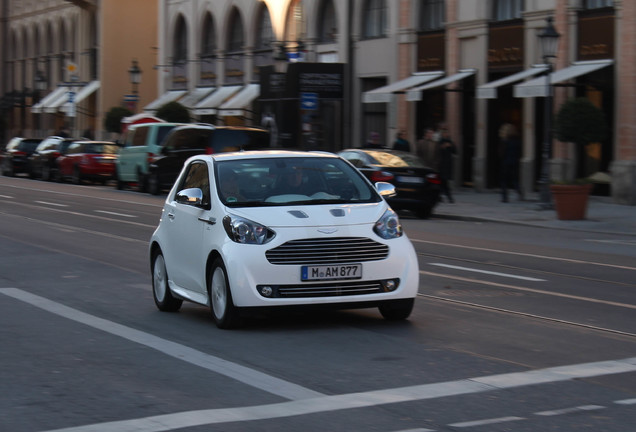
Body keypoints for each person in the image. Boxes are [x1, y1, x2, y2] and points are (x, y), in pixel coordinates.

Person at [499, 123, 522, 203]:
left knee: (504, 181)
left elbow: (502, 153)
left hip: (506, 162)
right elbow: (519, 152)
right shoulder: (517, 140)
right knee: (515, 179)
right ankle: (519, 192)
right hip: (515, 162)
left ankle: (505, 197)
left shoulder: (505, 141)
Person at [437, 127, 456, 203]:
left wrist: (451, 146)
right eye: (444, 133)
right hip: (441, 165)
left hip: (448, 165)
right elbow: (437, 152)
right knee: (443, 182)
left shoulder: (450, 141)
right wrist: (442, 147)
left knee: (443, 182)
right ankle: (449, 197)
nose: (446, 134)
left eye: (447, 133)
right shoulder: (440, 142)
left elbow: (455, 151)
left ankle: (441, 196)